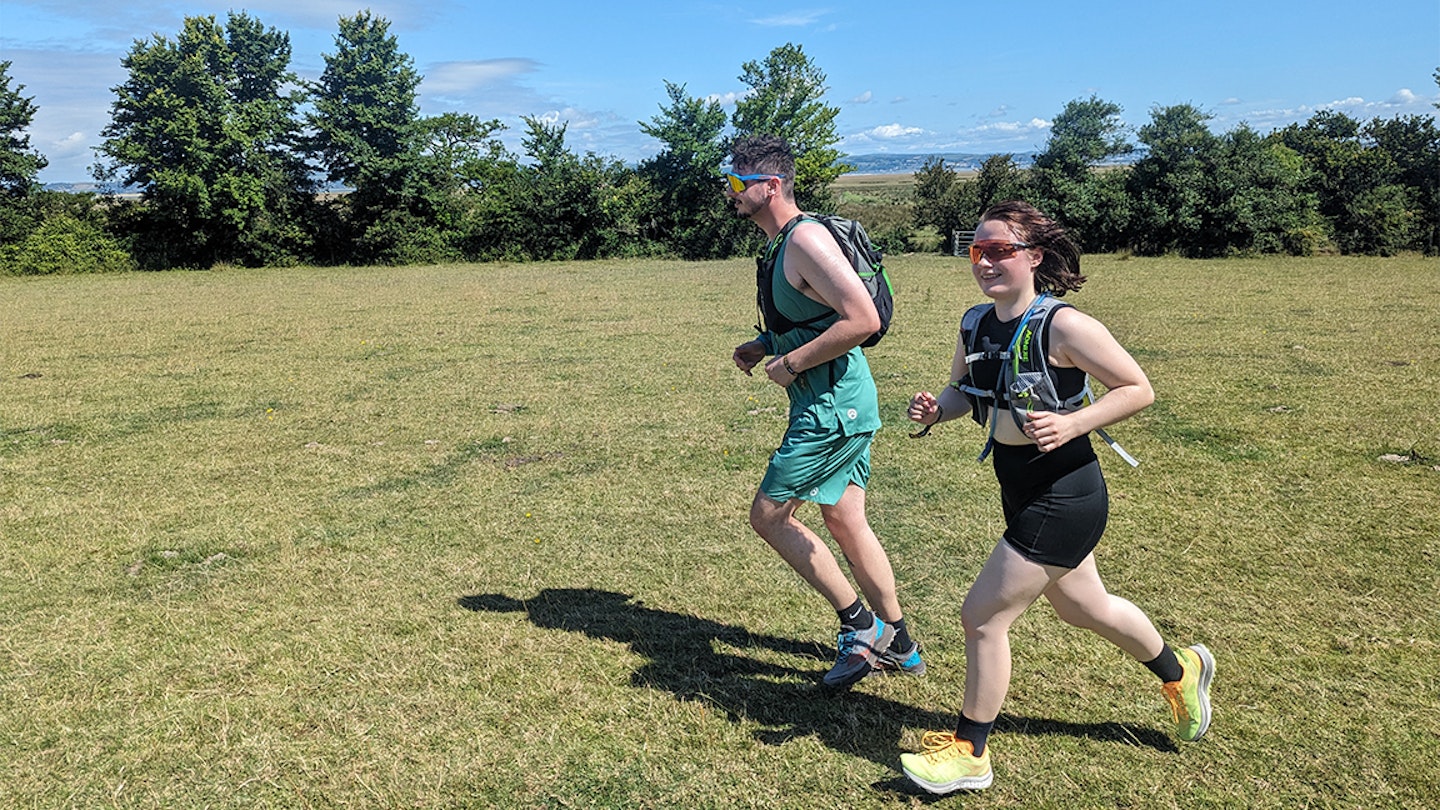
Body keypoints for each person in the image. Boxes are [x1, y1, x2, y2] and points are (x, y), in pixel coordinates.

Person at [899, 201, 1214, 793]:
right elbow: (966, 390)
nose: (987, 262)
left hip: (1067, 492)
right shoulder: (974, 323)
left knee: (984, 617)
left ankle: (970, 752)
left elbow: (1138, 388)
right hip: (1017, 484)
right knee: (1084, 608)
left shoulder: (1064, 325)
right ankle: (1182, 669)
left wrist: (1074, 422)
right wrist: (939, 410)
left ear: (1034, 257)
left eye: (1001, 251)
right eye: (978, 251)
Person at [726, 134, 923, 688]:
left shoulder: (806, 239)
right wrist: (767, 345)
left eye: (741, 182)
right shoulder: (778, 243)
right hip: (834, 400)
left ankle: (863, 628)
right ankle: (900, 643)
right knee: (845, 518)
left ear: (772, 186)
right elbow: (815, 311)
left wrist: (790, 364)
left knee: (768, 516)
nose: (731, 191)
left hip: (833, 405)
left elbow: (863, 319)